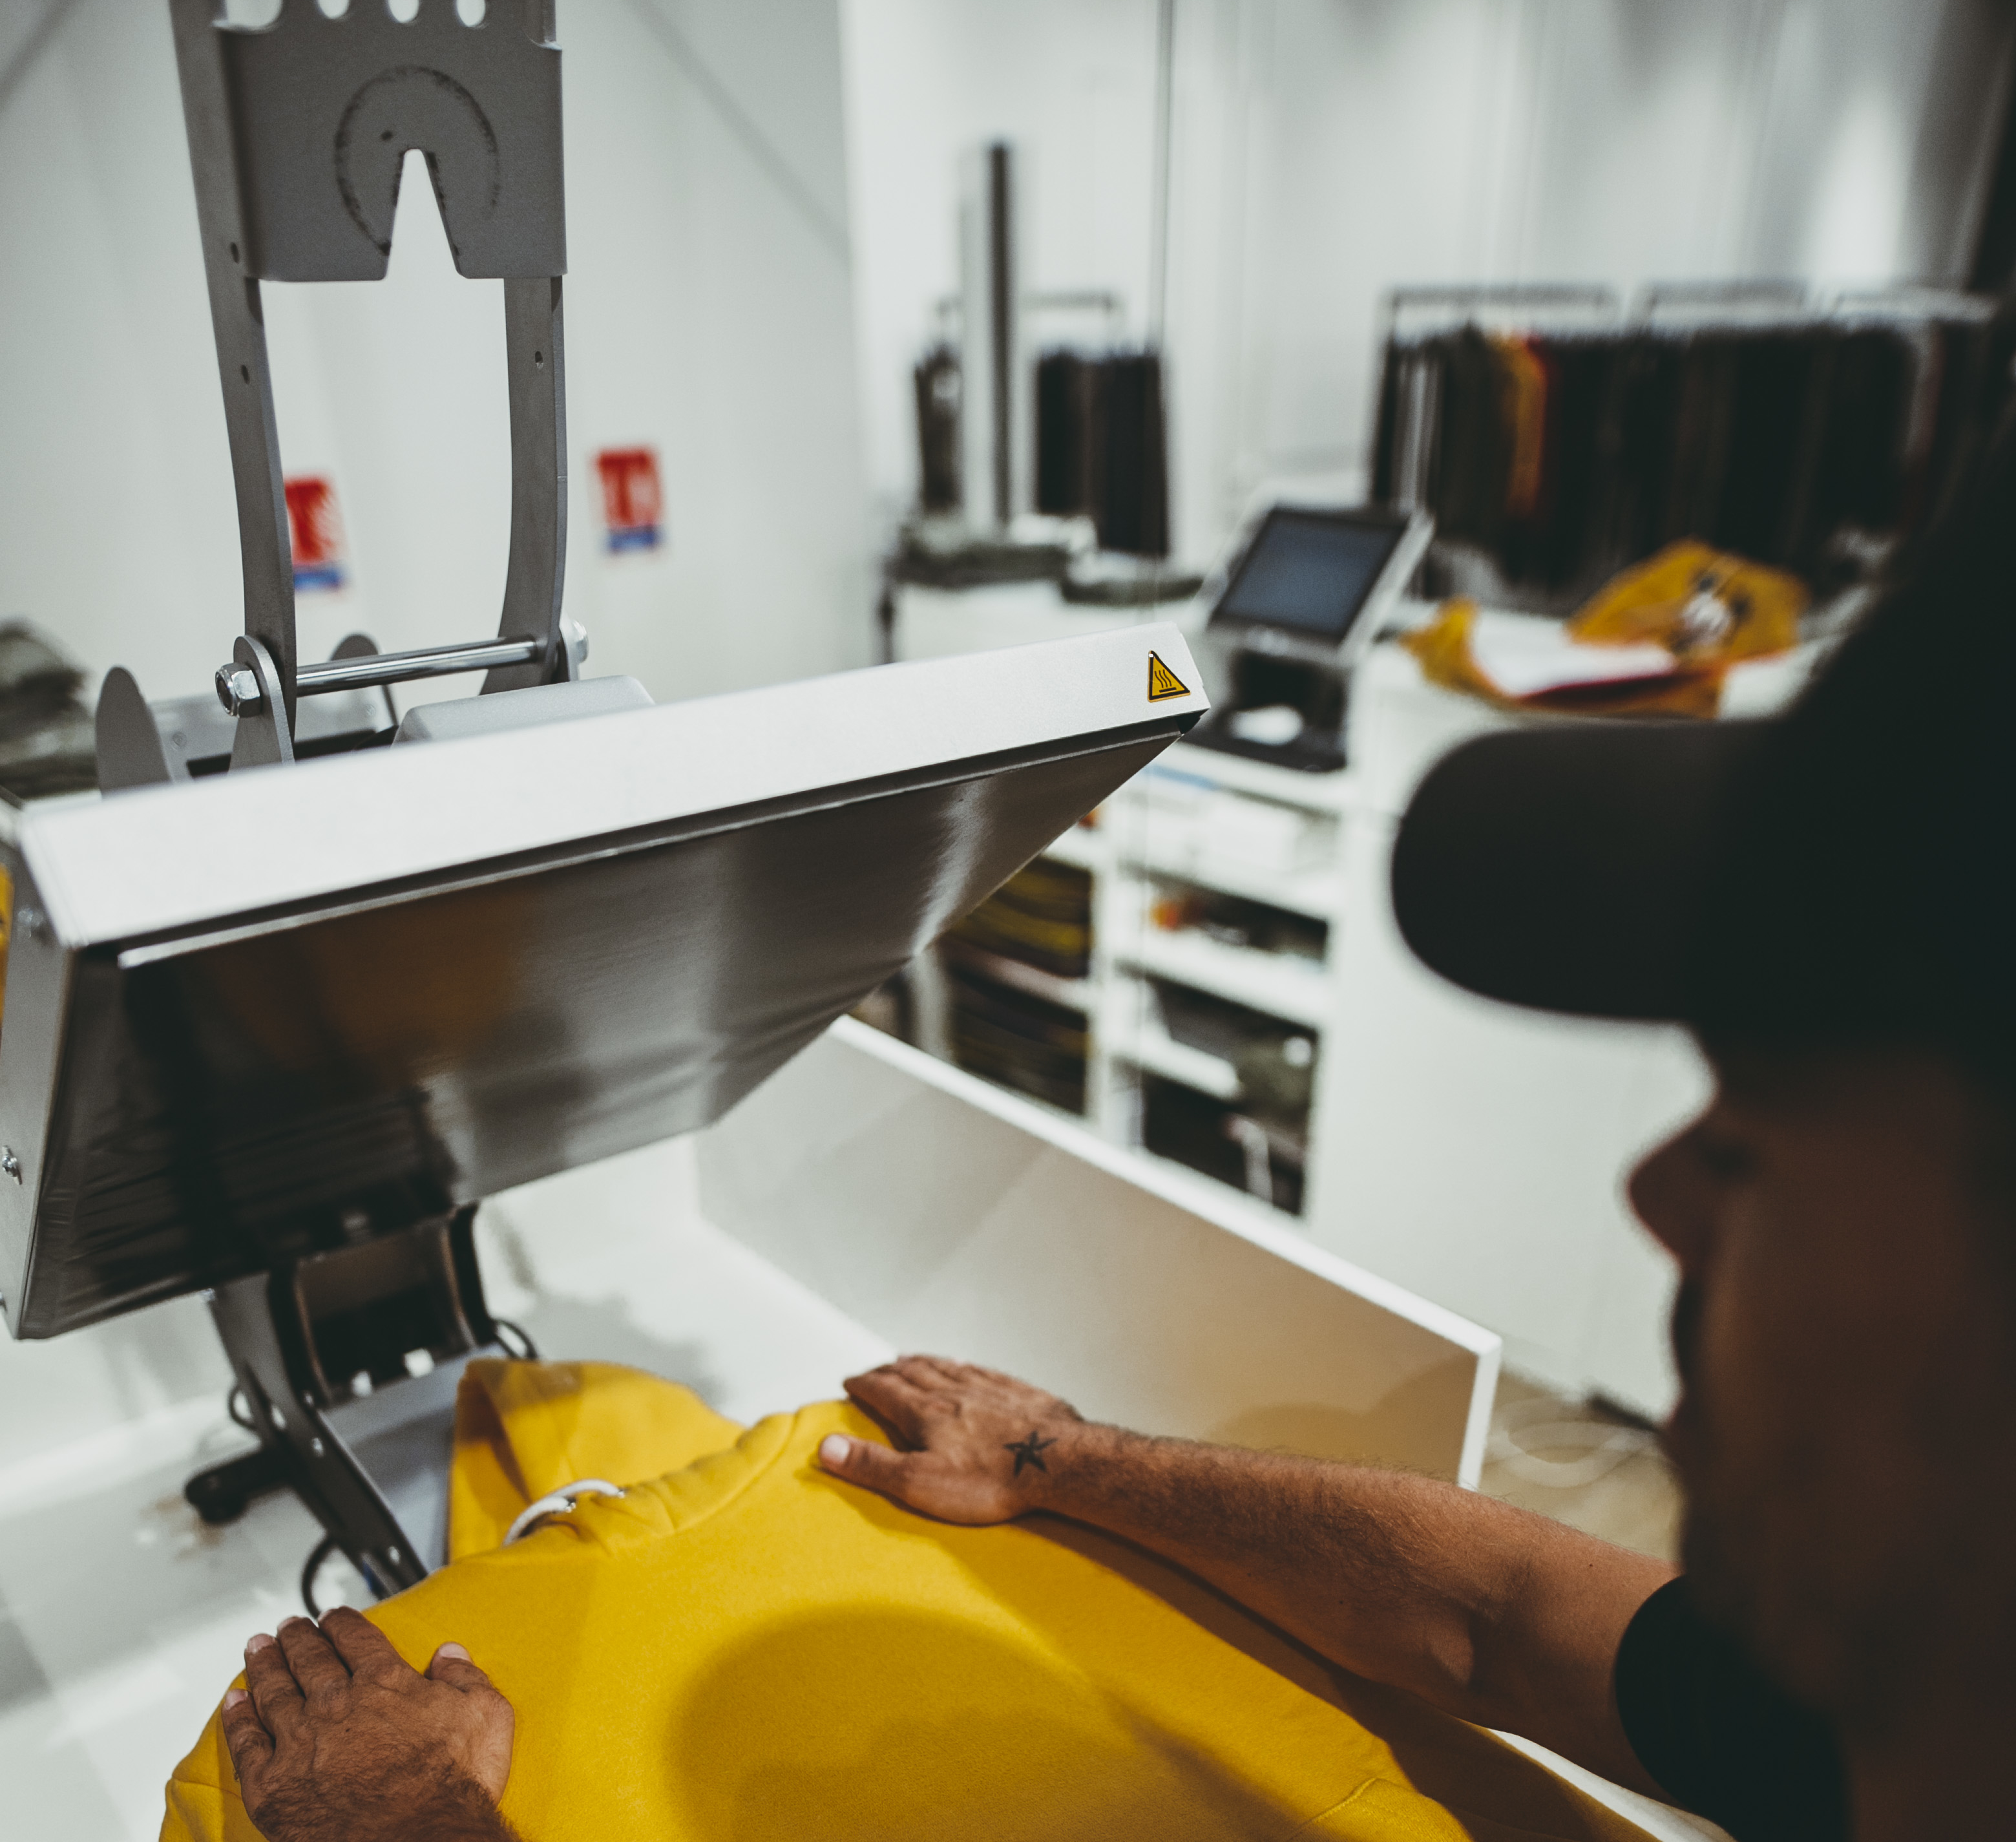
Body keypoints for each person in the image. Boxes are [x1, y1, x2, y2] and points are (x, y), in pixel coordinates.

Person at [214, 450, 2016, 1842]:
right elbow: (1504, 1615)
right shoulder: (1890, 1685)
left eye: (1764, 1132)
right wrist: (1063, 1460)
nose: (1659, 1190)